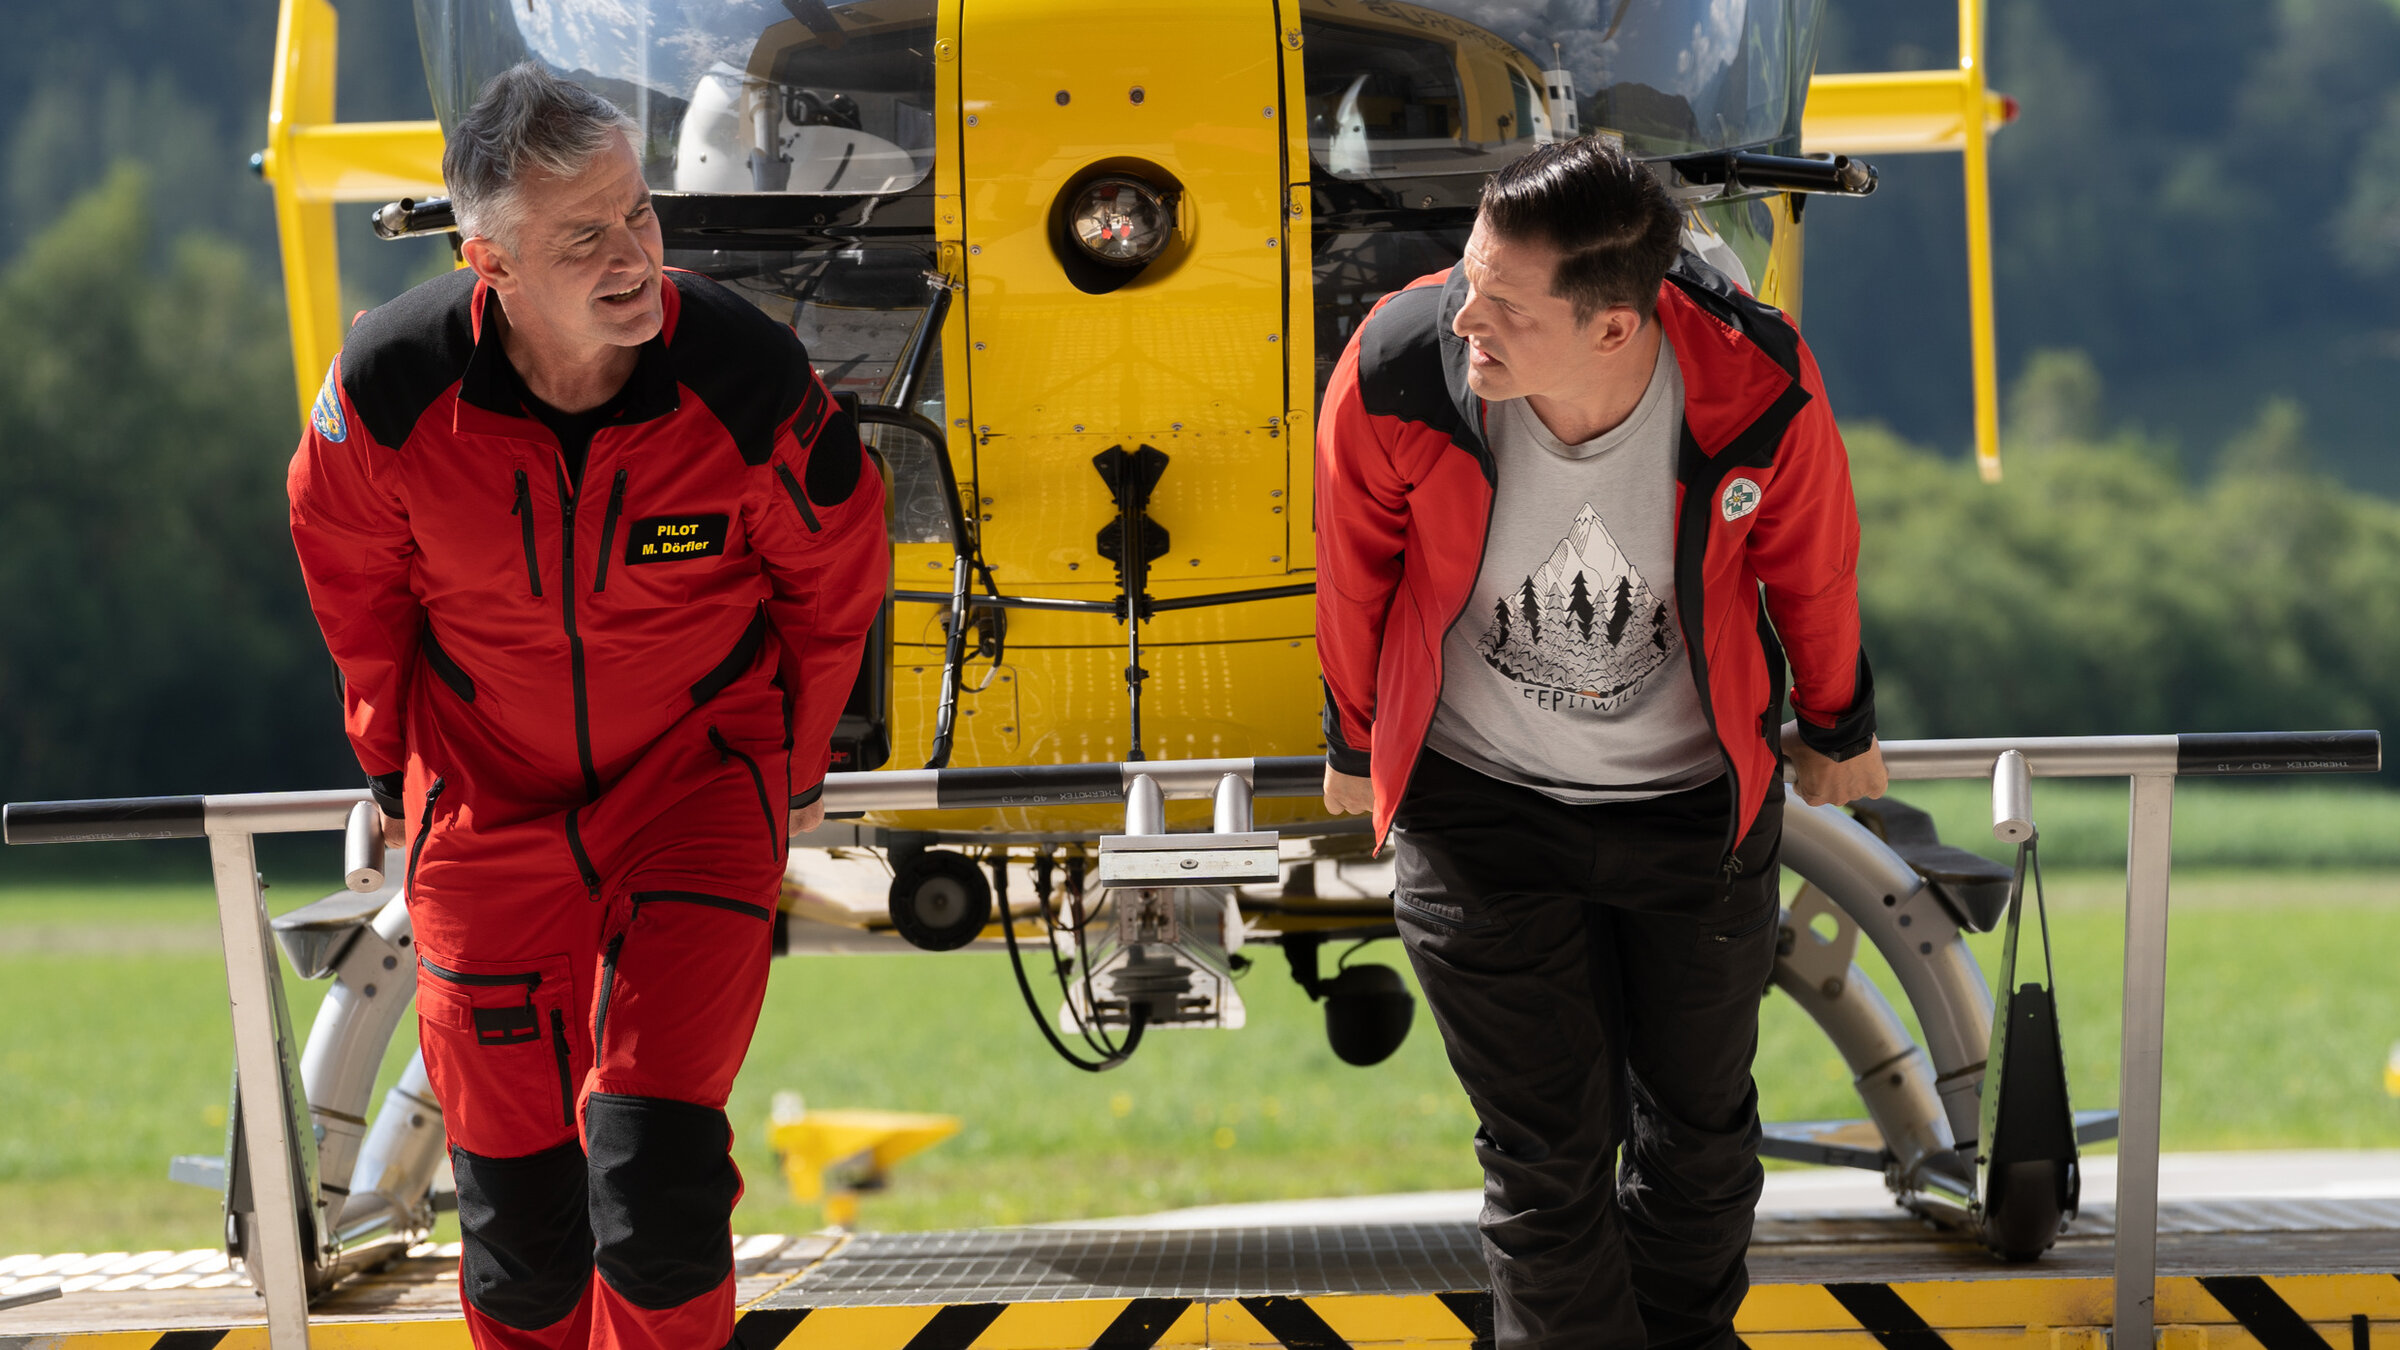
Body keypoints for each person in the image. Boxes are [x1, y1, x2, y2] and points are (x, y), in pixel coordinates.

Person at [288, 64, 888, 1350]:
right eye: (586, 236)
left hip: (695, 786)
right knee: (523, 1243)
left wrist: (795, 758)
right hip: (485, 809)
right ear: (486, 255)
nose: (634, 257)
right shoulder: (390, 388)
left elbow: (836, 570)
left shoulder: (742, 373)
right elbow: (350, 578)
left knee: (656, 1191)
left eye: (639, 216)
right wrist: (389, 759)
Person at [1313, 136, 1887, 1349]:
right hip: (1479, 810)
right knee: (1546, 1159)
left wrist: (1836, 722)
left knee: (1701, 1142)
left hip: (1690, 809)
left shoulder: (1757, 384)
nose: (1467, 312)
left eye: (1506, 303)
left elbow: (1812, 563)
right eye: (1469, 274)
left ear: (1616, 327)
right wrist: (1356, 739)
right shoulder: (1399, 368)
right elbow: (1354, 573)